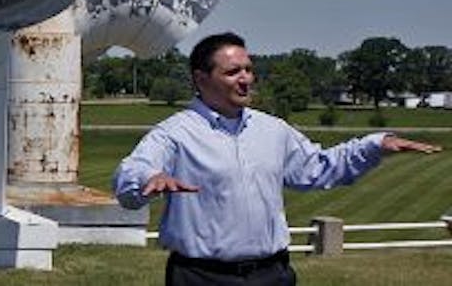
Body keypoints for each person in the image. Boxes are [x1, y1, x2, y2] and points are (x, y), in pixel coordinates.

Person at [112, 32, 442, 285]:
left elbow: (317, 169)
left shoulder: (273, 130)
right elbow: (133, 171)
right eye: (232, 72)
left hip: (273, 274)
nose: (246, 79)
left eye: (248, 69)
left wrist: (375, 145)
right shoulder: (175, 133)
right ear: (201, 79)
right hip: (202, 277)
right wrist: (145, 180)